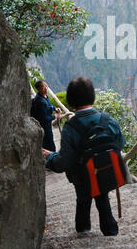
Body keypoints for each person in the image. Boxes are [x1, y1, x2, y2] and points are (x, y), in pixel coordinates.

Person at [42, 77, 125, 237]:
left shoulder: (71, 128)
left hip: (82, 178)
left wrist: (50, 156)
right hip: (105, 172)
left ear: (71, 100)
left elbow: (63, 162)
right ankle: (111, 233)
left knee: (83, 201)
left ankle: (83, 231)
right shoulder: (107, 120)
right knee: (103, 200)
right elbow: (120, 143)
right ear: (92, 96)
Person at [31, 80, 61, 152]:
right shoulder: (40, 101)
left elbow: (49, 106)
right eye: (43, 87)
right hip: (44, 127)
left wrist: (55, 108)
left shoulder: (44, 96)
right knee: (49, 145)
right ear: (38, 89)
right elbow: (44, 118)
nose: (46, 88)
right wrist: (55, 116)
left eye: (46, 86)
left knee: (49, 144)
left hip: (48, 126)